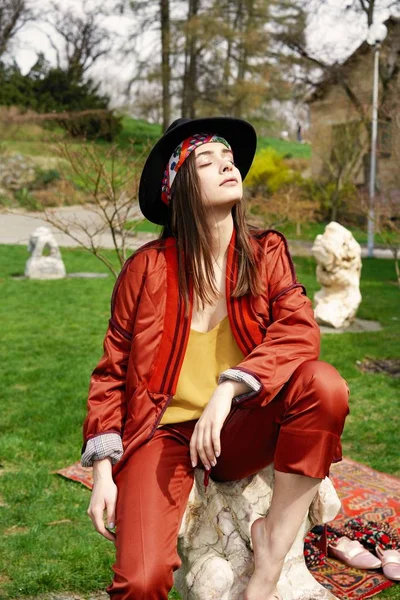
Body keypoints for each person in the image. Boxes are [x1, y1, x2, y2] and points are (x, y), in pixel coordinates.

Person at [81, 116, 350, 600]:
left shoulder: (265, 252)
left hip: (240, 424)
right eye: (207, 161)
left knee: (324, 385)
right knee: (140, 581)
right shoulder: (145, 270)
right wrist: (102, 469)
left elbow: (298, 332)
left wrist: (228, 388)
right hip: (162, 432)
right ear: (179, 188)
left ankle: (269, 555)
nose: (227, 164)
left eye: (229, 157)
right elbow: (112, 370)